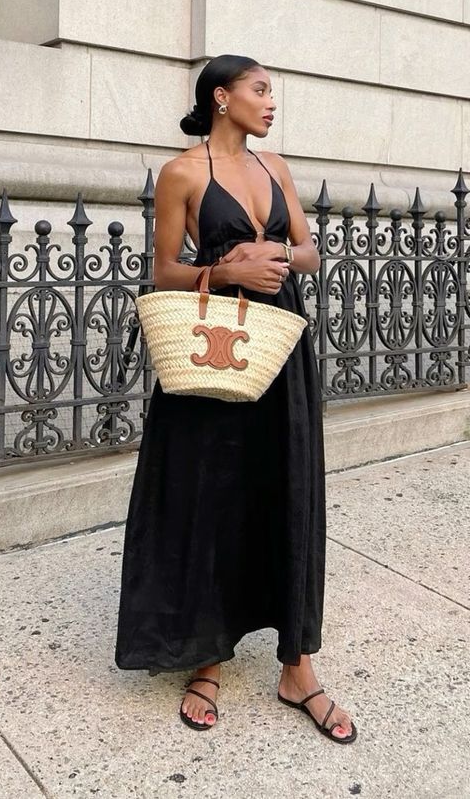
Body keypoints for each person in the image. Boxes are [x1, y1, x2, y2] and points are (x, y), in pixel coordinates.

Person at [115, 54, 357, 743]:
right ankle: (208, 657)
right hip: (212, 344)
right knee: (208, 493)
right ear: (222, 97)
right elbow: (164, 268)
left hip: (280, 347)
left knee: (286, 487)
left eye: (271, 91)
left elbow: (308, 251)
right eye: (259, 89)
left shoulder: (275, 167)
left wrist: (271, 253)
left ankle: (298, 667)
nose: (270, 101)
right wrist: (226, 268)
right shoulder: (183, 172)